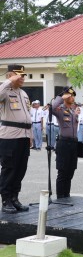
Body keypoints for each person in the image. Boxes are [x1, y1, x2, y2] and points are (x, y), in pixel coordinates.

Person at [0, 64, 32, 213]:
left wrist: (30, 135)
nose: (22, 78)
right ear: (10, 75)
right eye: (19, 75)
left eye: (23, 75)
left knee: (20, 169)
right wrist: (8, 81)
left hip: (24, 136)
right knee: (9, 169)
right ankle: (6, 200)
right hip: (9, 137)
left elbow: (27, 116)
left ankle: (14, 198)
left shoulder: (23, 93)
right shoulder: (5, 90)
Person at [52, 86, 79, 199]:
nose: (72, 97)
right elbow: (52, 108)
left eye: (73, 96)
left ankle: (66, 195)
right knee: (63, 171)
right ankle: (60, 196)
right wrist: (60, 97)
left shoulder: (73, 111)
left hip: (73, 143)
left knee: (70, 170)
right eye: (70, 95)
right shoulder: (60, 109)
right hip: (64, 143)